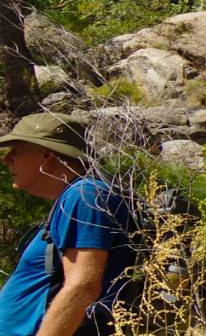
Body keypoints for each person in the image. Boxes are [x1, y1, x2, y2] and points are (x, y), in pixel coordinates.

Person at [0, 113, 135, 336]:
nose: (7, 159)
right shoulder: (77, 196)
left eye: (17, 151)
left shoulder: (85, 195)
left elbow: (83, 285)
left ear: (46, 155)